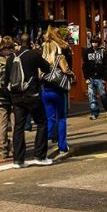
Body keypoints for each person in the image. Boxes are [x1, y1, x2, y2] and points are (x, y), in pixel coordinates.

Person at [8, 38, 51, 168]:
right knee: (42, 122)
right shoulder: (34, 55)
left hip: (16, 97)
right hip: (31, 95)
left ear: (19, 44)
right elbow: (47, 68)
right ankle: (40, 156)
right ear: (30, 44)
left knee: (18, 127)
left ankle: (18, 160)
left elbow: (6, 80)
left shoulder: (11, 58)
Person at [40, 27, 73, 157]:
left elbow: (39, 74)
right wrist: (72, 75)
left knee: (50, 118)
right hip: (58, 91)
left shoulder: (41, 58)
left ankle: (44, 144)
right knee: (61, 118)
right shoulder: (60, 57)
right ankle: (62, 146)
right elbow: (65, 70)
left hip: (45, 91)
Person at [83, 35, 107, 119]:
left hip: (100, 77)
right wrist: (86, 77)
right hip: (90, 77)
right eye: (93, 42)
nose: (94, 44)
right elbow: (85, 65)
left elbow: (106, 65)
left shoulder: (103, 51)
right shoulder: (87, 51)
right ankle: (94, 113)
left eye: (96, 42)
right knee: (92, 96)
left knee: (103, 94)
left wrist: (105, 78)